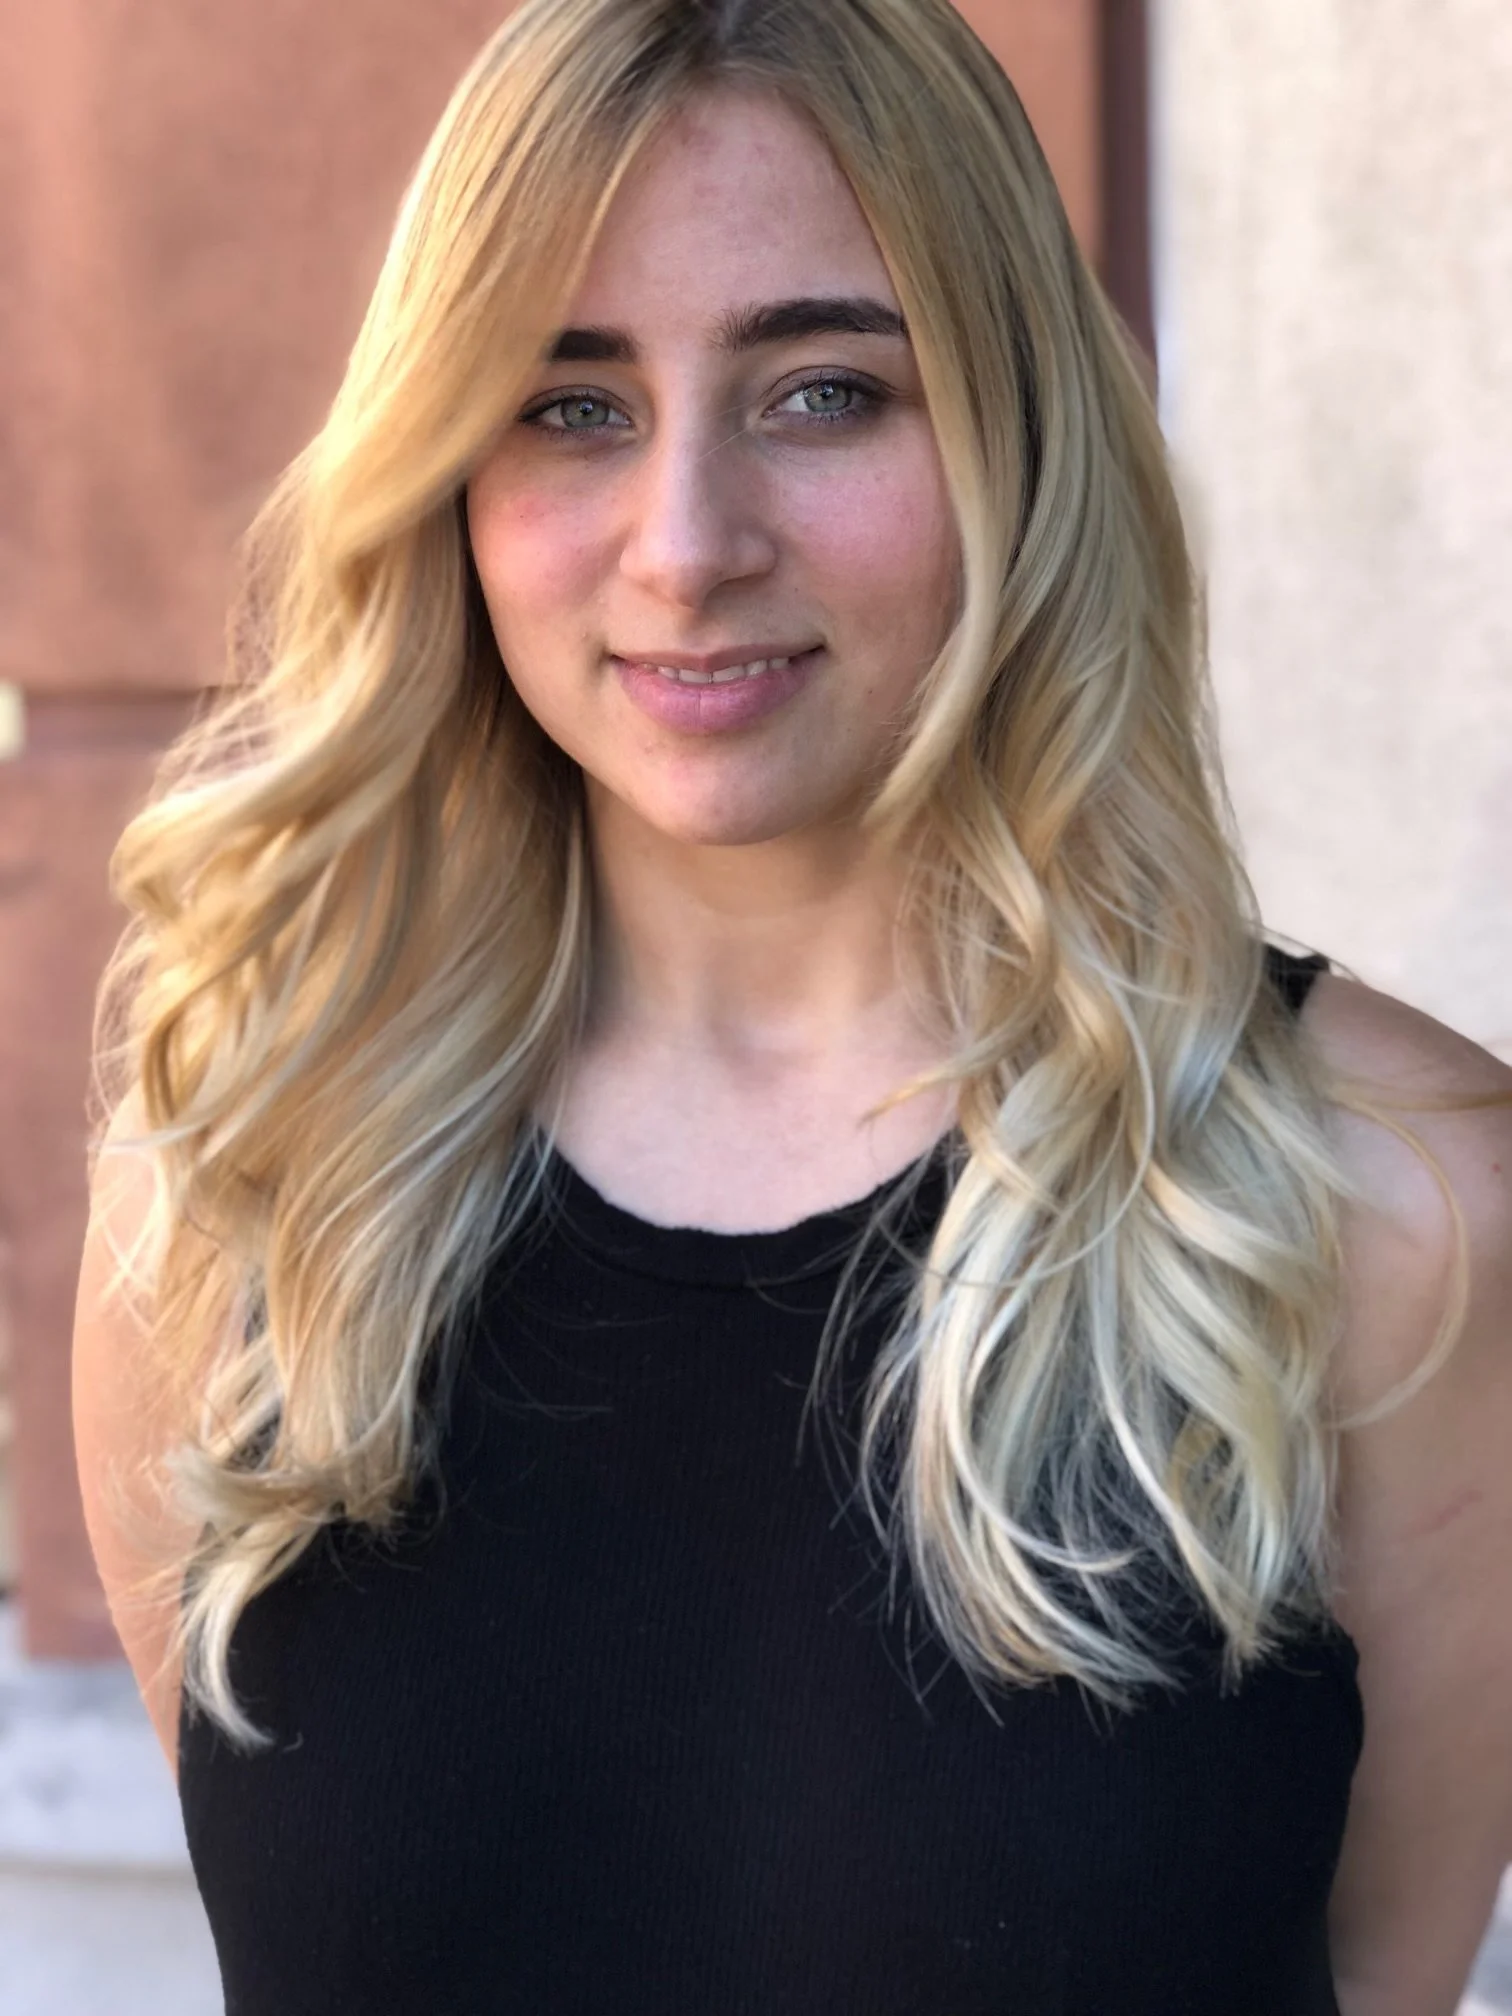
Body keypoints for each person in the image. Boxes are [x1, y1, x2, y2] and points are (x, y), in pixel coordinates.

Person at [71, 1, 1511, 2011]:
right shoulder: (244, 1189)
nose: (686, 546)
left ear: (1016, 430)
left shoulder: (1400, 1208)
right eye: (569, 408)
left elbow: (1375, 1975)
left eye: (825, 391)